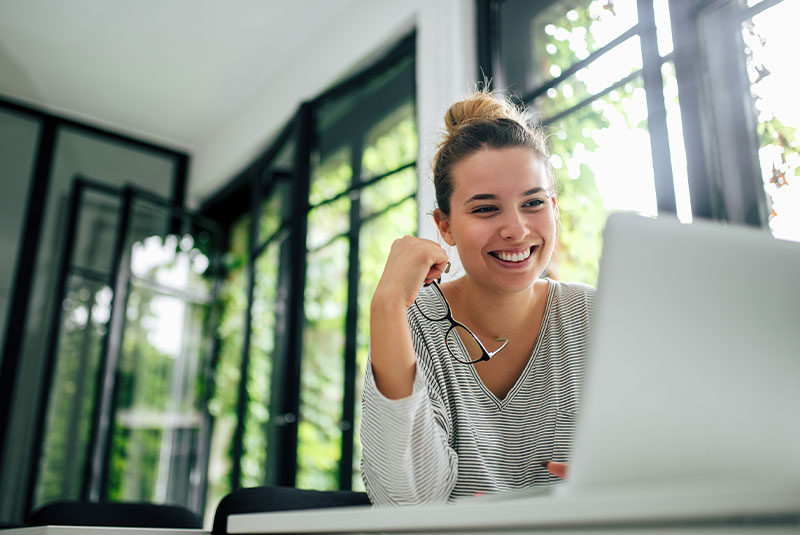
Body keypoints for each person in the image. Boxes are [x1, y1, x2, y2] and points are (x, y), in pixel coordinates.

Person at [359, 91, 595, 506]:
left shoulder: (595, 318)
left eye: (533, 203)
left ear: (554, 209)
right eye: (486, 209)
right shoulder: (413, 324)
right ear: (445, 227)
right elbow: (406, 505)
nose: (517, 229)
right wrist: (386, 305)